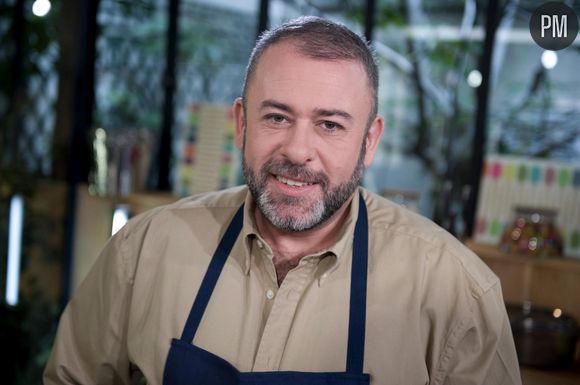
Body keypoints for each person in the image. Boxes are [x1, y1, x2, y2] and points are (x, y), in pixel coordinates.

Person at [44, 16, 521, 385]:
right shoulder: (144, 250)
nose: (297, 151)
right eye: (276, 117)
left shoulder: (455, 291)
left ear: (370, 141)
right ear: (241, 123)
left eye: (330, 124)